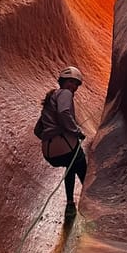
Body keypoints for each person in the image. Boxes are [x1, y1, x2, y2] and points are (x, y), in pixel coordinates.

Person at [34, 66, 87, 217]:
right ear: (63, 82)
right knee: (81, 163)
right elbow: (64, 113)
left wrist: (49, 138)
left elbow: (37, 130)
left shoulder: (50, 99)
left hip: (50, 153)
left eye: (76, 84)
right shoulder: (65, 93)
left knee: (71, 166)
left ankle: (70, 203)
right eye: (71, 82)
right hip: (65, 145)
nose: (73, 86)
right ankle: (90, 199)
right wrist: (77, 132)